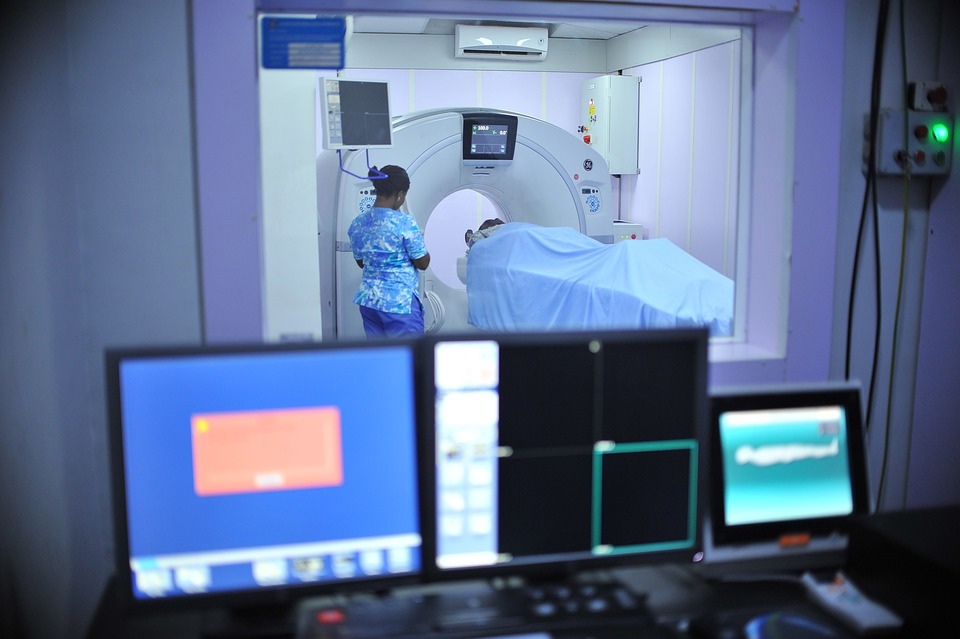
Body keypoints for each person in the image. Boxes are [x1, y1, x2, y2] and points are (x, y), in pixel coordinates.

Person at [348, 165, 431, 338]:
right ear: (400, 194)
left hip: (370, 302)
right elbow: (422, 263)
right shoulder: (404, 222)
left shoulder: (357, 223)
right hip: (399, 303)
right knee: (409, 352)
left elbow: (361, 262)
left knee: (381, 352)